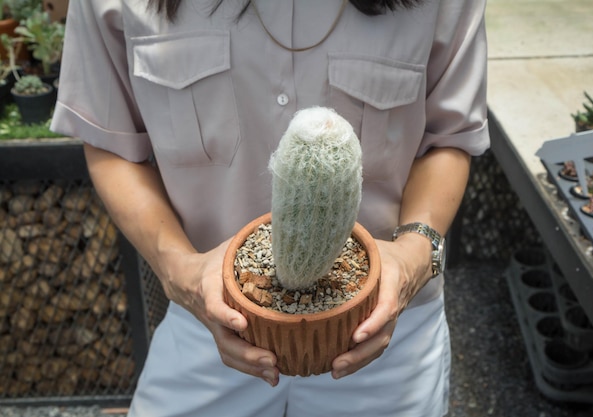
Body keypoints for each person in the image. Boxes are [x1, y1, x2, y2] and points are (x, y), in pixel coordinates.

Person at [50, 0, 490, 415]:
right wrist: (179, 271)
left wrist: (414, 256)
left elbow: (448, 137)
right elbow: (111, 139)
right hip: (206, 323)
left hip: (386, 334)